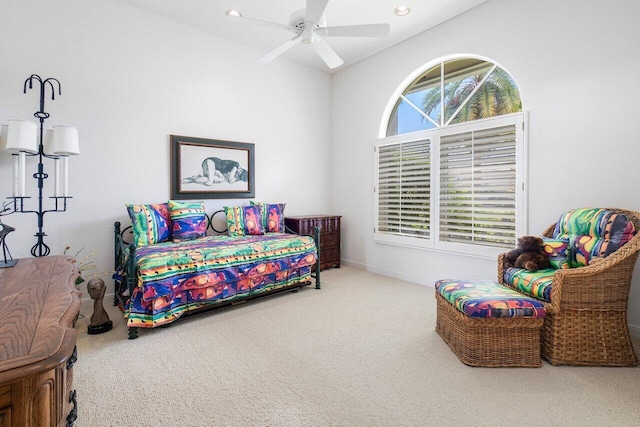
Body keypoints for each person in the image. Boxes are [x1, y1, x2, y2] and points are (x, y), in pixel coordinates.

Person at [182, 157, 248, 186]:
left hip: (210, 166)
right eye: (239, 175)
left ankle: (195, 178)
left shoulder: (226, 172)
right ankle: (192, 180)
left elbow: (217, 172)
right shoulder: (236, 165)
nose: (237, 175)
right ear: (241, 171)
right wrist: (235, 180)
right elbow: (230, 180)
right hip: (211, 162)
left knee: (221, 179)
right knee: (209, 181)